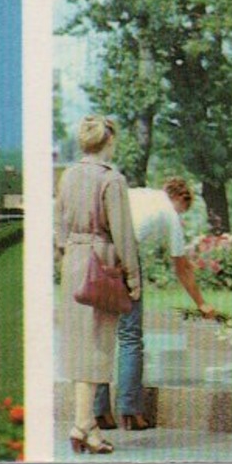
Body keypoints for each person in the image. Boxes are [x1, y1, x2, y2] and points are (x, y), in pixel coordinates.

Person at [92, 176, 216, 431]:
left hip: (98, 251)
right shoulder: (169, 213)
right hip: (124, 255)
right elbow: (181, 267)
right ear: (181, 199)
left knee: (102, 334)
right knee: (129, 336)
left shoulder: (139, 193)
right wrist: (201, 303)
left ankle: (99, 412)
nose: (181, 215)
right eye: (184, 209)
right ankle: (130, 411)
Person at [55, 115, 141, 455]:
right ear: (110, 141)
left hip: (73, 262)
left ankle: (85, 425)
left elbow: (59, 225)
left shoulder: (68, 176)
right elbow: (123, 233)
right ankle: (81, 424)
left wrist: (68, 254)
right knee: (98, 346)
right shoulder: (112, 180)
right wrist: (133, 277)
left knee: (81, 347)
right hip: (100, 261)